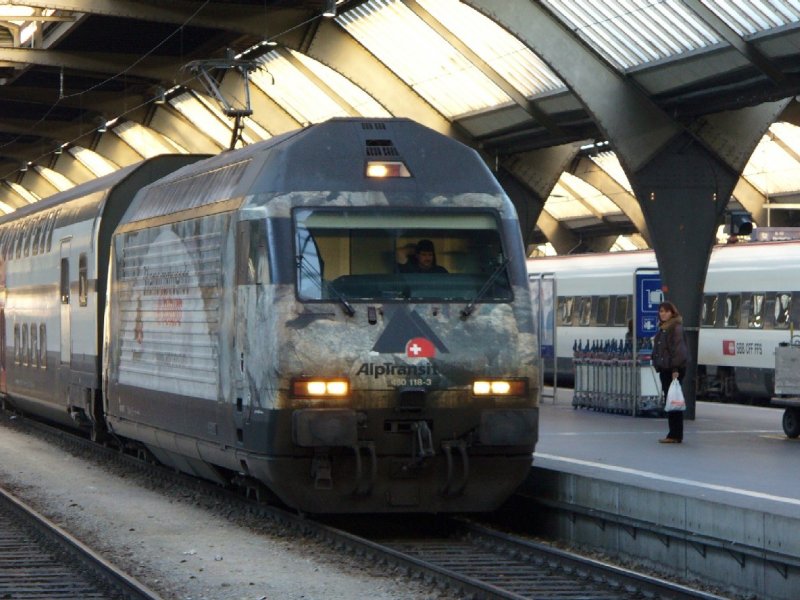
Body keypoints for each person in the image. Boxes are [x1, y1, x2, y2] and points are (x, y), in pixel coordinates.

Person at [651, 301, 689, 443]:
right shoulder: (664, 328)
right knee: (671, 400)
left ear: (672, 313)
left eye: (666, 311)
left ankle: (675, 434)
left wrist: (675, 369)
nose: (663, 314)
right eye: (661, 311)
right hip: (666, 369)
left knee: (674, 401)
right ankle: (673, 433)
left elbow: (679, 351)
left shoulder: (675, 328)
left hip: (673, 370)